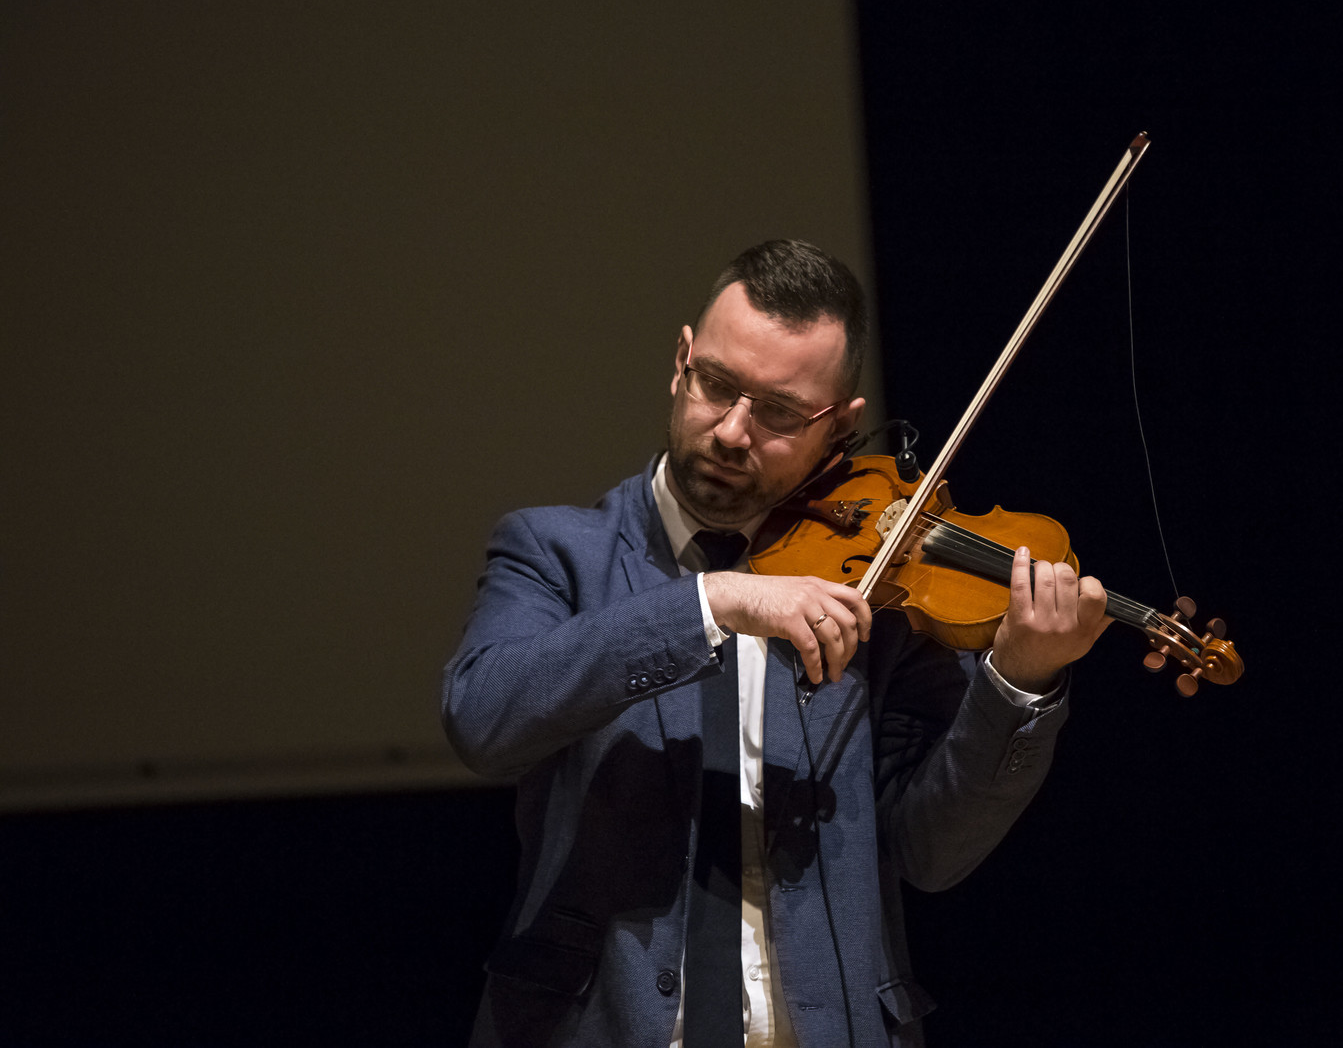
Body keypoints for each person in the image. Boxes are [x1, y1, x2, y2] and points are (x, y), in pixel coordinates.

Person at [443, 239, 1111, 1048]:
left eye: (780, 414)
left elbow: (933, 852)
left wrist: (1019, 681)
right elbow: (483, 718)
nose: (732, 431)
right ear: (682, 362)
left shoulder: (885, 593)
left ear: (841, 425)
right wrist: (712, 601)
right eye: (716, 385)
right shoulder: (555, 552)